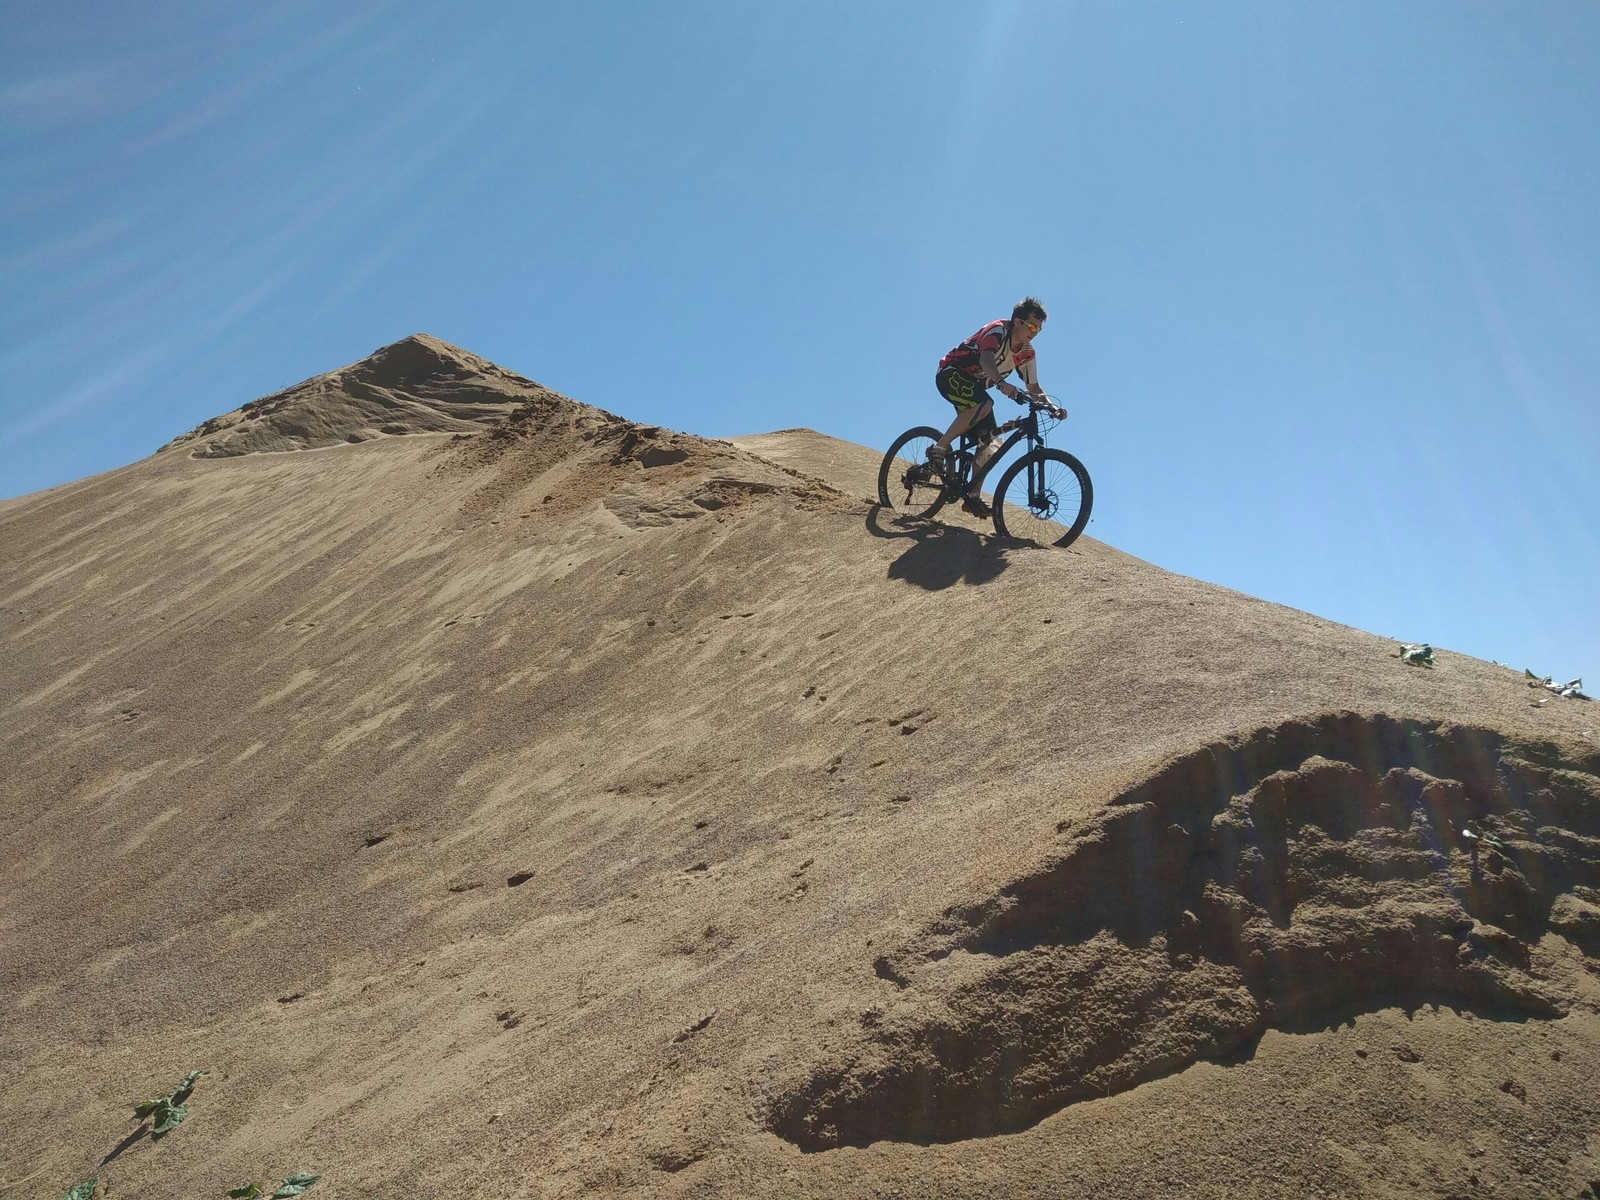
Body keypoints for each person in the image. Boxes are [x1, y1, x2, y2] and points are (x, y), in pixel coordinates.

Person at [927, 297, 1051, 518]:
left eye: (1039, 329)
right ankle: (940, 448)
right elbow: (986, 360)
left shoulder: (1027, 353)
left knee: (990, 442)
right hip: (951, 373)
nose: (1035, 332)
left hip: (975, 388)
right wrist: (1001, 383)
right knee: (984, 404)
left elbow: (1033, 386)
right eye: (1032, 326)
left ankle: (972, 497)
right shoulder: (998, 331)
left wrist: (1050, 407)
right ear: (1018, 322)